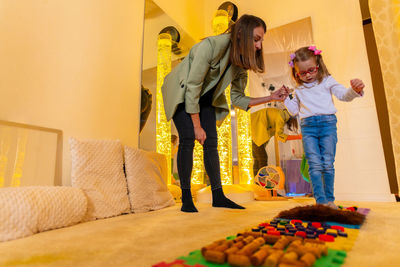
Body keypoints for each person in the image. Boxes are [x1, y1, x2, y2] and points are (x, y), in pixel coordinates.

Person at [162, 14, 287, 212]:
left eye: (261, 40)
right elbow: (193, 86)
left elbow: (238, 99)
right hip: (182, 90)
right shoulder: (210, 46)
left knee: (211, 143)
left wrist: (272, 98)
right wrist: (196, 126)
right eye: (256, 39)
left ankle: (218, 196)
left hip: (205, 98)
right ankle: (186, 198)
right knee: (187, 139)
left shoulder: (240, 63)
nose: (259, 46)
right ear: (242, 34)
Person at [281, 46, 365, 209]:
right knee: (315, 165)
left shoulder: (327, 80)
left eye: (311, 70)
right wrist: (285, 98)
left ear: (318, 65)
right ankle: (320, 202)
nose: (308, 75)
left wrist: (355, 90)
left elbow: (344, 95)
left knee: (327, 163)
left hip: (327, 126)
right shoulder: (299, 89)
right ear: (296, 73)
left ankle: (330, 200)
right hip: (308, 128)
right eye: (302, 73)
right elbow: (293, 110)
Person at [251, 107, 298, 176]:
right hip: (255, 131)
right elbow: (279, 136)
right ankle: (261, 181)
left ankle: (257, 182)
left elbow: (274, 133)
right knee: (262, 158)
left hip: (252, 130)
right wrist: (299, 137)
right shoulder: (282, 115)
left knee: (258, 159)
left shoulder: (280, 113)